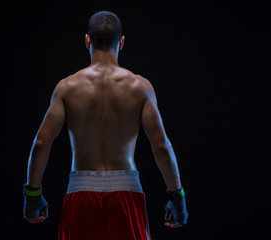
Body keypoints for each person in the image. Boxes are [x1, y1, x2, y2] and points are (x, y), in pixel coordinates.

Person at [23, 10, 188, 240]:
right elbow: (160, 145)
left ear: (87, 40)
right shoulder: (140, 87)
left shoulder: (67, 87)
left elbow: (41, 143)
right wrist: (177, 196)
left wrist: (32, 194)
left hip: (80, 192)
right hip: (127, 193)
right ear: (121, 43)